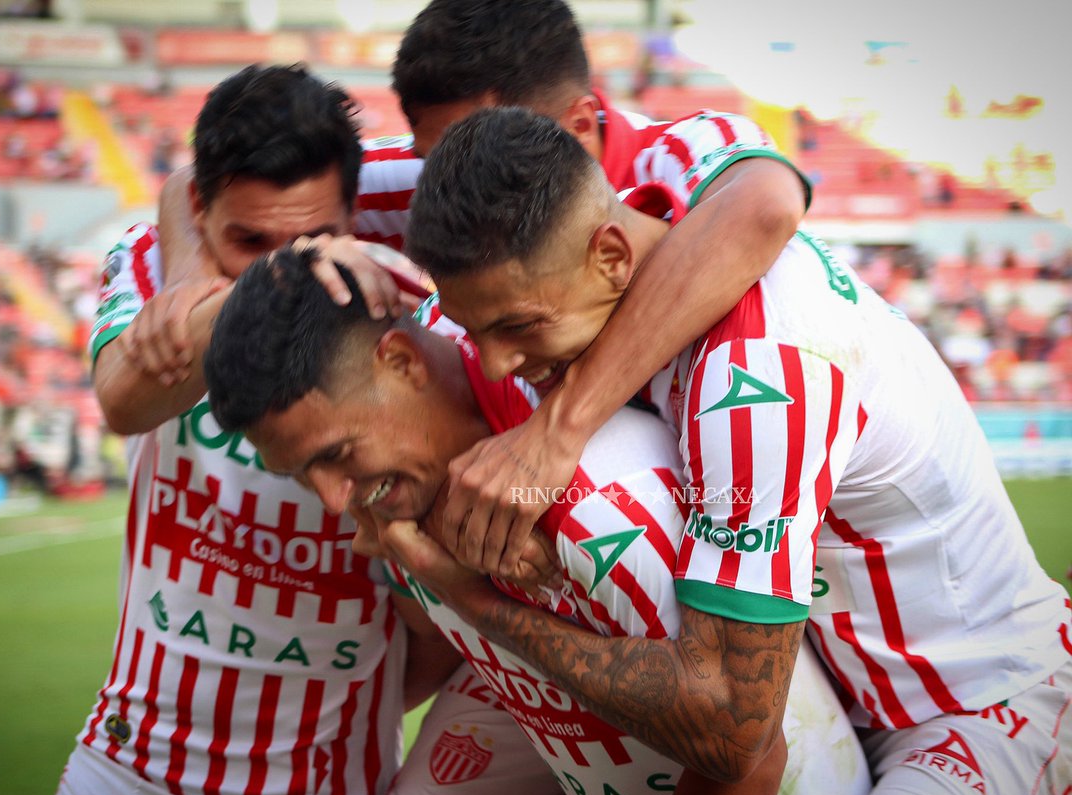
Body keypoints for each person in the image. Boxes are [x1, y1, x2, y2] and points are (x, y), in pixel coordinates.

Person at [402, 107, 1072, 795]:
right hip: (838, 693)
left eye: (518, 326)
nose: (494, 363)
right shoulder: (613, 274)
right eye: (474, 330)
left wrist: (473, 603)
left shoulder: (754, 381)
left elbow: (733, 729)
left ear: (612, 257)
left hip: (977, 702)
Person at [149, 0, 809, 589]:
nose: (454, 174)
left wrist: (558, 430)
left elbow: (764, 207)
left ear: (579, 125)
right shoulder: (428, 182)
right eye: (435, 154)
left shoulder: (676, 151)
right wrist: (186, 273)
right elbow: (196, 181)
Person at [201, 246, 873, 795]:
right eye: (301, 474)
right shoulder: (419, 461)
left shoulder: (602, 500)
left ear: (403, 362)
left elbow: (741, 752)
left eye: (337, 456)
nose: (335, 502)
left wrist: (471, 597)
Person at [59, 65, 560, 795]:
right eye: (248, 240)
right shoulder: (155, 264)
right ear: (200, 210)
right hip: (123, 767)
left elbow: (434, 628)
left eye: (316, 237)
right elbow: (123, 402)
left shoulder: (413, 317)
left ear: (358, 215)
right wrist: (223, 288)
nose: (283, 264)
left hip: (325, 782)